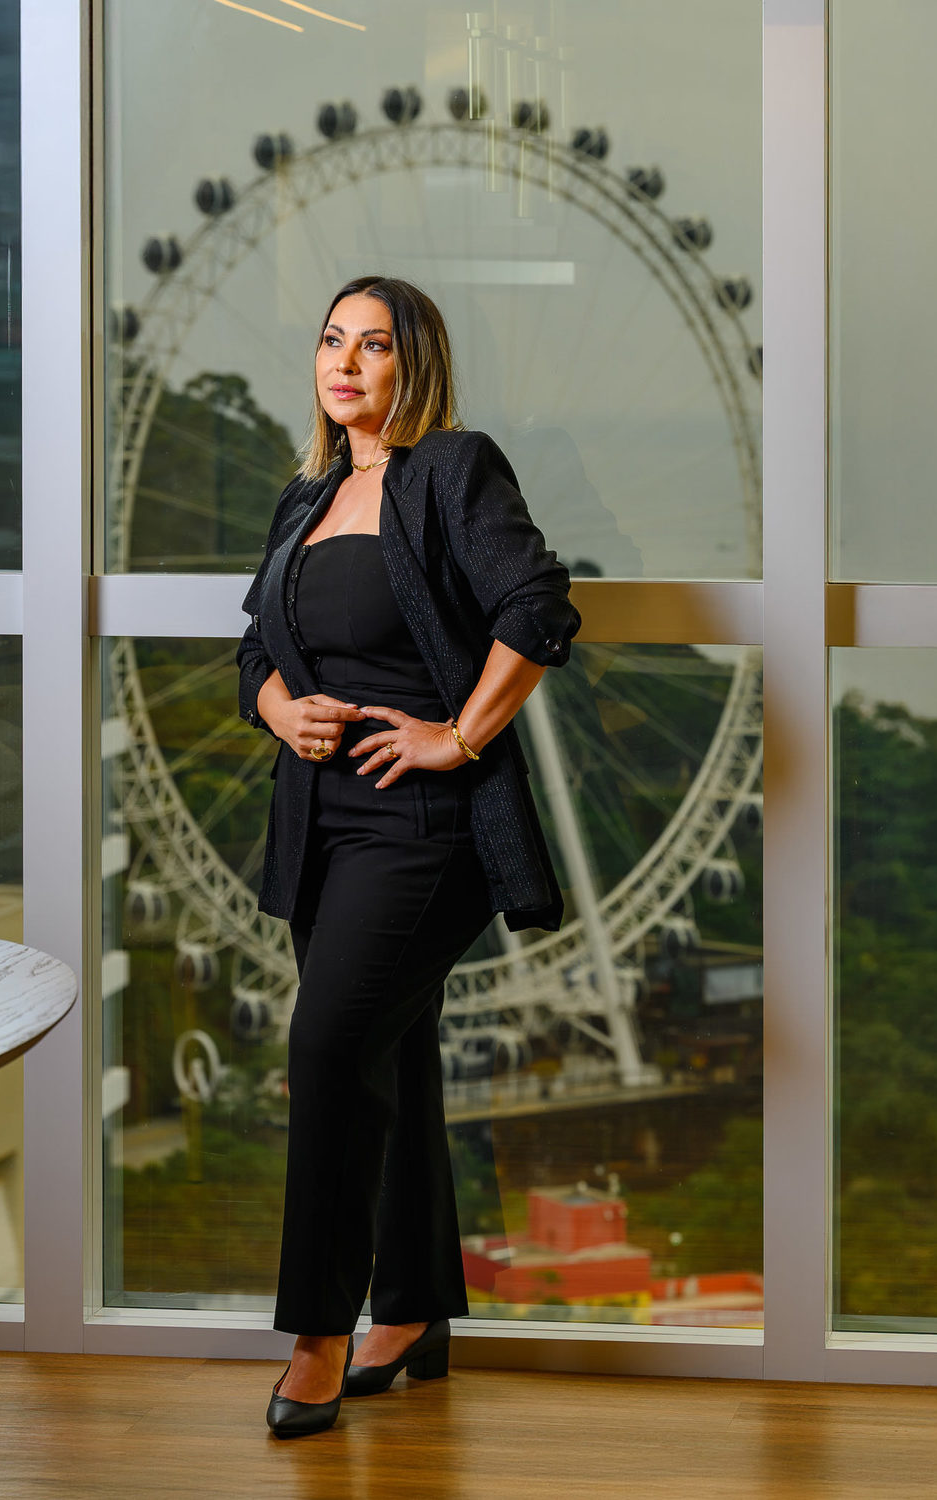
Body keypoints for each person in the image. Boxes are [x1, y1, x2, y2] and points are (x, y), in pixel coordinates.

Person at [235, 275, 580, 1438]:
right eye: (332, 340)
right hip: (318, 826)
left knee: (328, 1049)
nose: (346, 363)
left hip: (421, 828)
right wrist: (282, 711)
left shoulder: (451, 468)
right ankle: (418, 1306)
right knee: (392, 1054)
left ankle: (318, 1337)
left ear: (412, 364)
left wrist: (460, 734)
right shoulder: (308, 494)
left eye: (373, 345)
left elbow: (538, 608)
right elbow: (257, 650)